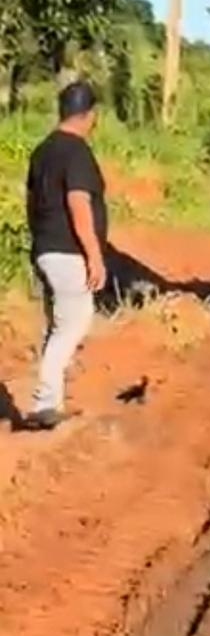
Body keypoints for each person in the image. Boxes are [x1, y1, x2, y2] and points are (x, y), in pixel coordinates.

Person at [23, 81, 108, 431]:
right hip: (68, 252)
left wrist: (39, 238)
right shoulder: (77, 152)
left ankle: (52, 400)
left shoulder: (42, 151)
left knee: (59, 325)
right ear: (89, 115)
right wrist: (95, 255)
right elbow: (78, 202)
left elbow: (30, 202)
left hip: (45, 249)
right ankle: (45, 402)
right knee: (75, 322)